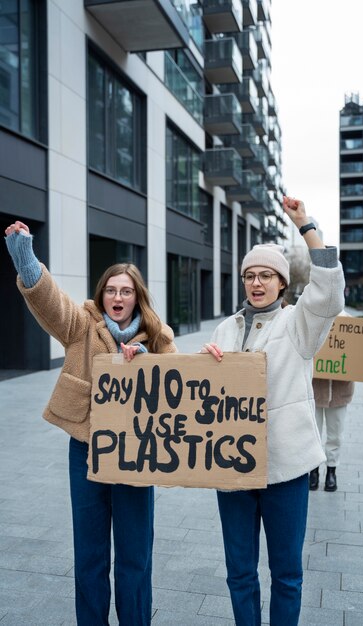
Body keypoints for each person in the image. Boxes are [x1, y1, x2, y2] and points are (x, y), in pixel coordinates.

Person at [4, 221, 177, 626]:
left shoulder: (158, 336)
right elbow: (50, 302)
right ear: (103, 295)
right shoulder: (82, 325)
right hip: (86, 449)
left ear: (137, 298)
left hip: (137, 455)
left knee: (135, 555)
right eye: (111, 290)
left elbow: (179, 384)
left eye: (126, 290)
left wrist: (147, 362)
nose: (118, 296)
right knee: (90, 553)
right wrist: (25, 257)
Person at [201, 196, 345, 626]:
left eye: (266, 275)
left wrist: (305, 225)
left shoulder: (299, 324)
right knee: (240, 573)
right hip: (233, 469)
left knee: (286, 574)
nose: (256, 283)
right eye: (249, 276)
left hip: (286, 470)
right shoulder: (225, 328)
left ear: (282, 283)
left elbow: (329, 292)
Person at [310, 338, 363, 492]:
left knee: (335, 435)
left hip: (339, 392)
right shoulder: (316, 318)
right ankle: (313, 471)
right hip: (315, 390)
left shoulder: (348, 323)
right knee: (313, 434)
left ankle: (331, 471)